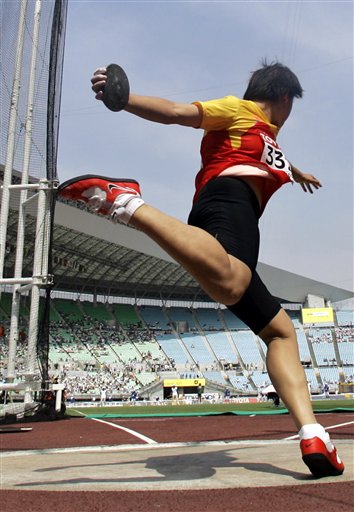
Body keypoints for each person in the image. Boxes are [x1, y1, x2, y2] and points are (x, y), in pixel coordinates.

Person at [58, 61, 344, 478]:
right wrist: (124, 100)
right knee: (231, 285)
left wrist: (295, 172)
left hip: (237, 213)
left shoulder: (267, 135)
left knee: (280, 330)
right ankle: (126, 203)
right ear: (284, 98)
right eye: (290, 107)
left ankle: (313, 432)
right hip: (227, 203)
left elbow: (269, 156)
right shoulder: (239, 109)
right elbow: (178, 112)